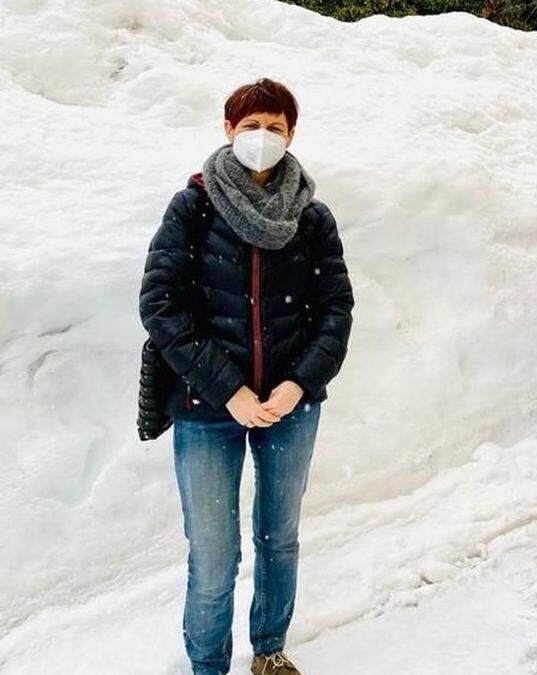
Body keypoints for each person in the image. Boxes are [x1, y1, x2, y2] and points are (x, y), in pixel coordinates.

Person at [139, 78, 353, 675]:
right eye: (251, 125)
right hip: (207, 408)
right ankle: (208, 666)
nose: (263, 137)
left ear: (292, 135)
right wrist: (227, 388)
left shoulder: (311, 217)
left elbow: (336, 309)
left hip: (291, 406)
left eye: (275, 128)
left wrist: (298, 385)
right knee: (212, 556)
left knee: (278, 539)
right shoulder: (194, 207)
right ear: (229, 130)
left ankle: (269, 650)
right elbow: (161, 305)